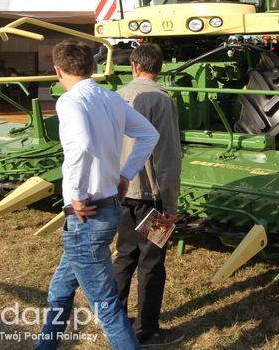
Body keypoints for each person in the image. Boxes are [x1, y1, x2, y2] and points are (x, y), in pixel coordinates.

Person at [37, 40, 159, 350]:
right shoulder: (111, 98)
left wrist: (76, 194)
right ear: (93, 67)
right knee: (60, 290)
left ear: (58, 71)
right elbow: (149, 134)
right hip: (106, 209)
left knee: (105, 305)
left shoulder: (69, 102)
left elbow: (80, 145)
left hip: (85, 214)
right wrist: (125, 174)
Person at [113, 43, 183, 346]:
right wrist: (170, 204)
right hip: (151, 198)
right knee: (151, 261)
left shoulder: (115, 98)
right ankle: (147, 330)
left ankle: (113, 319)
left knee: (125, 255)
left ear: (133, 65)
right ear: (161, 67)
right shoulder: (161, 101)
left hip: (120, 191)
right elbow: (167, 156)